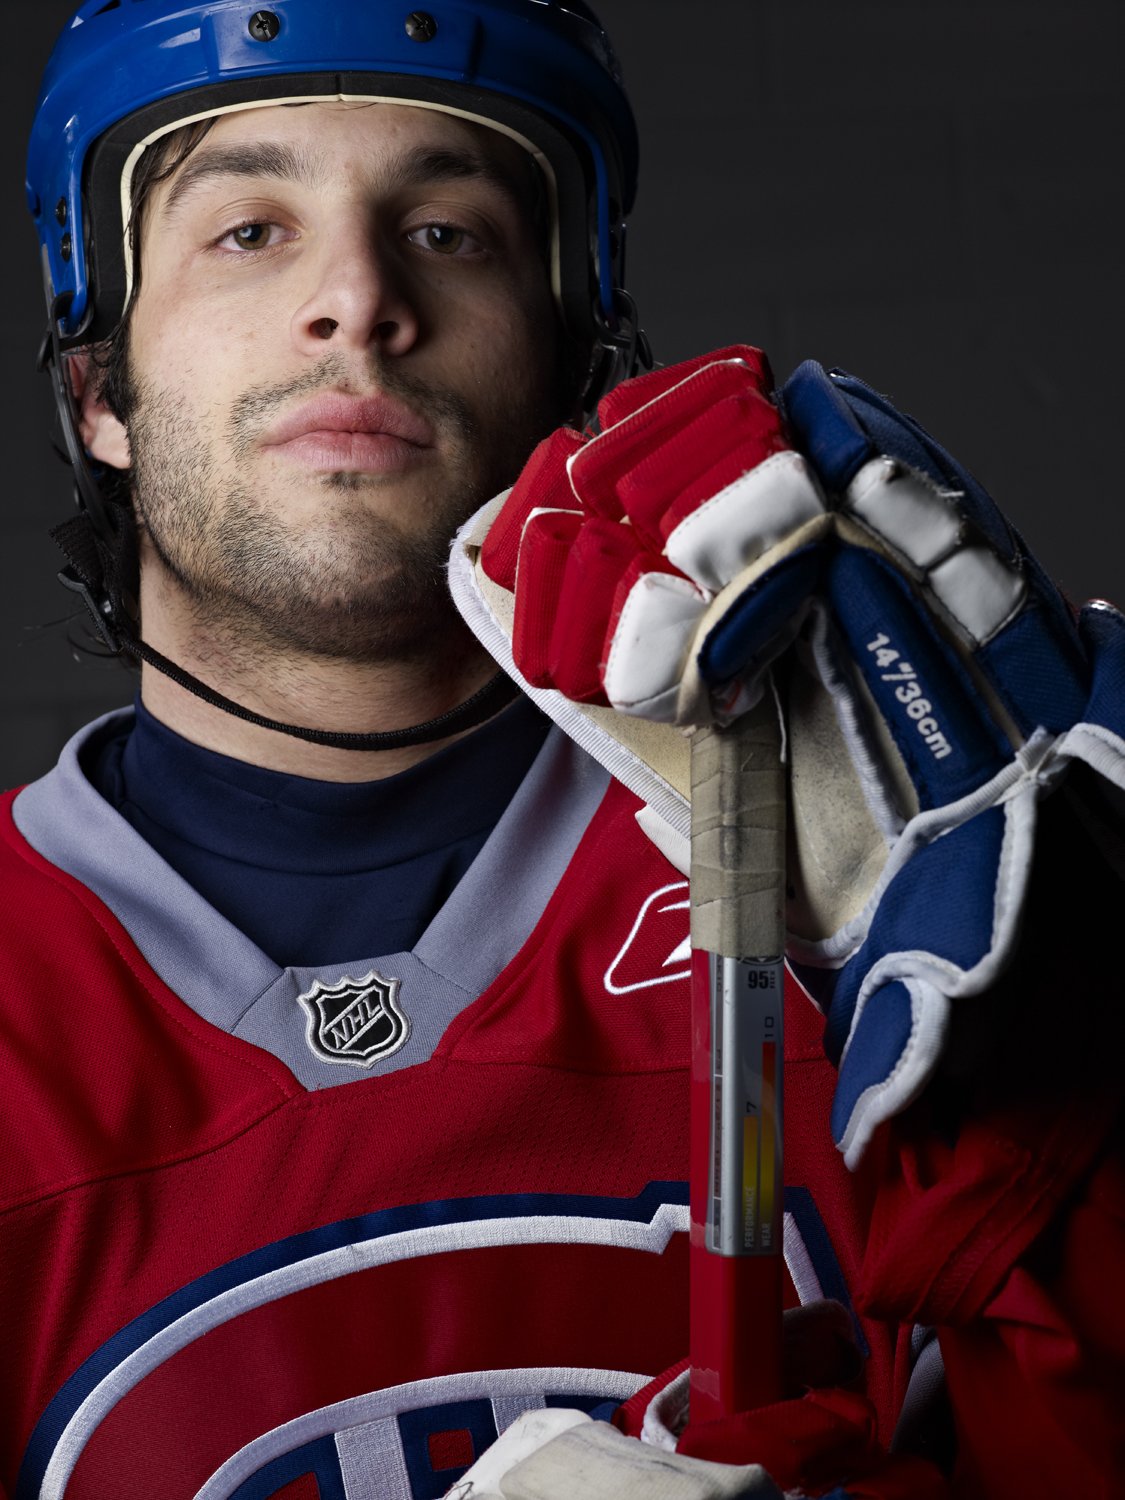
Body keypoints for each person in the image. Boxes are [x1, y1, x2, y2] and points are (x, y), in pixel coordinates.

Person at [4, 2, 1122, 1498]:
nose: (356, 296)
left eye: (449, 227)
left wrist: (1071, 1069)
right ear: (100, 395)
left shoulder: (862, 888)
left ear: (570, 363)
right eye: (249, 230)